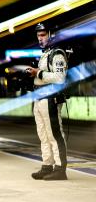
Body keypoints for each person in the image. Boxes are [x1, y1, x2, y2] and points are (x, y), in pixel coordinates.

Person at [26, 23, 68, 181]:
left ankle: (60, 169)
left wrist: (39, 73)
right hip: (39, 98)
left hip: (50, 98)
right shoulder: (45, 54)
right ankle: (47, 165)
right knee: (43, 135)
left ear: (51, 35)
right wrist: (34, 75)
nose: (40, 38)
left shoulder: (57, 54)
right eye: (38, 36)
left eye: (43, 35)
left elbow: (60, 78)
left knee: (54, 134)